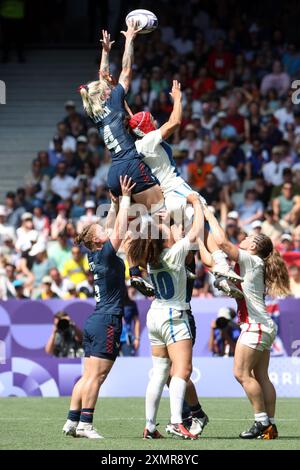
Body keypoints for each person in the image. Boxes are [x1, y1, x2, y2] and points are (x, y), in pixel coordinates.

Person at [128, 82, 243, 297]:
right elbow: (175, 122)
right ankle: (220, 267)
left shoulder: (138, 144)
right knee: (206, 221)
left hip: (166, 198)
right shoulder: (149, 140)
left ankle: (211, 272)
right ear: (144, 127)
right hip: (176, 189)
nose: (155, 120)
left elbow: (134, 121)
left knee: (194, 235)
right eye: (151, 118)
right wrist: (178, 99)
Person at [199, 203, 290, 439]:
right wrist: (199, 233)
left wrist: (207, 212)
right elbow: (212, 256)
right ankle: (270, 425)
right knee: (261, 377)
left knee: (241, 373)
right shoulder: (250, 263)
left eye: (250, 237)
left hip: (255, 326)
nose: (245, 237)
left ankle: (261, 423)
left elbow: (222, 244)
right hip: (263, 325)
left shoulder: (252, 260)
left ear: (254, 246)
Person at [62, 175, 135, 439]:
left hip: (96, 319)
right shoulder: (105, 252)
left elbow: (112, 224)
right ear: (96, 241)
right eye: (100, 231)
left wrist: (113, 205)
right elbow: (120, 227)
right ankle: (85, 425)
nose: (105, 229)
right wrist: (125, 198)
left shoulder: (95, 254)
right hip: (107, 319)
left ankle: (71, 420)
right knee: (97, 377)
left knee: (88, 375)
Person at [127, 193, 203, 440]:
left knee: (159, 372)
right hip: (174, 314)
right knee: (182, 370)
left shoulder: (152, 257)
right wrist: (197, 205)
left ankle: (149, 426)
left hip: (155, 313)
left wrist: (167, 224)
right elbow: (197, 230)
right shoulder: (175, 253)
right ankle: (176, 422)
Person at [78, 27, 163, 210]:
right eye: (106, 89)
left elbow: (102, 77)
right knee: (162, 212)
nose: (109, 86)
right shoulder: (114, 102)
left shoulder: (94, 111)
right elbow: (126, 71)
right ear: (103, 96)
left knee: (136, 224)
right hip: (131, 165)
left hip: (114, 173)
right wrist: (130, 40)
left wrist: (105, 52)